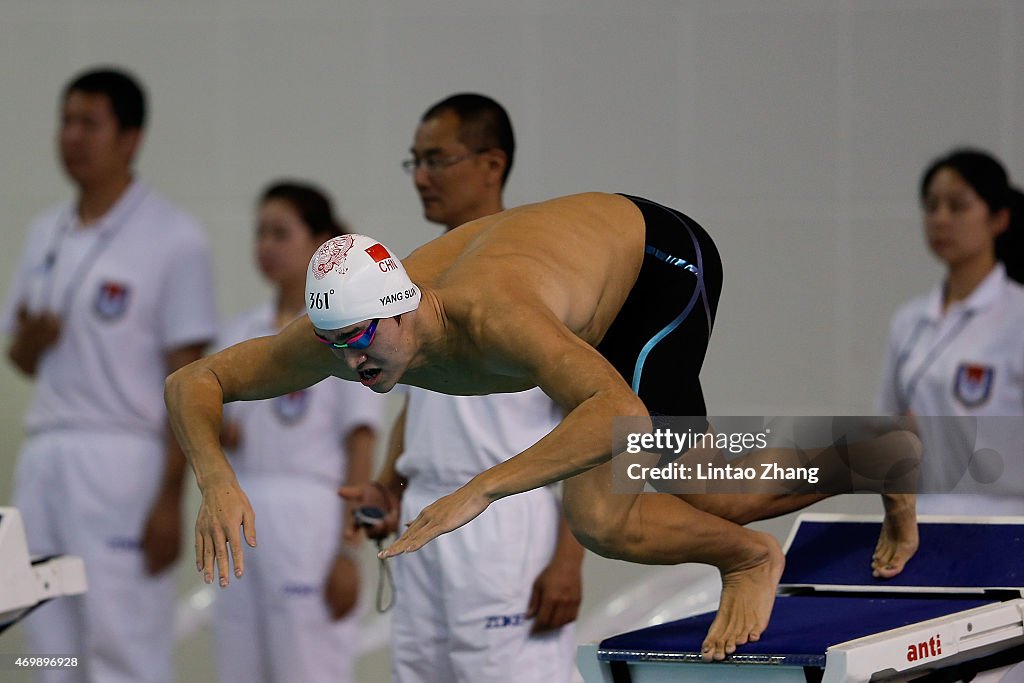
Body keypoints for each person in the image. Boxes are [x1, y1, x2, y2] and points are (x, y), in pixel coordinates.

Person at [166, 191, 921, 662]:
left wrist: (482, 488)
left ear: (402, 304)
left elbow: (618, 414)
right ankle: (867, 459)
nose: (350, 359)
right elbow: (193, 379)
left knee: (698, 487)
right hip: (573, 284)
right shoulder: (340, 336)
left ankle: (775, 536)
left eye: (362, 337)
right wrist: (217, 477)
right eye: (334, 343)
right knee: (601, 516)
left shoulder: (492, 317)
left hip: (657, 264)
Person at [340, 94, 583, 683]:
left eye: (437, 160)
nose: (421, 177)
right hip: (424, 519)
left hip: (501, 522)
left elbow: (597, 419)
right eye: (414, 162)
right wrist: (392, 484)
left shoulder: (537, 269)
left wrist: (569, 560)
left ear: (492, 164)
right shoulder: (416, 274)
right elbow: (418, 400)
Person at [2, 67, 217, 682]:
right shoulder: (46, 232)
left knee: (119, 642)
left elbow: (191, 377)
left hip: (124, 461)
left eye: (88, 123)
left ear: (130, 138)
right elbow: (20, 354)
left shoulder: (174, 238)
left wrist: (172, 498)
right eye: (65, 122)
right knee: (48, 638)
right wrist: (31, 344)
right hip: (46, 458)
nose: (71, 136)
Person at [211, 182, 383, 683]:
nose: (265, 245)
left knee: (307, 669)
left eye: (280, 233)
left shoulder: (345, 331)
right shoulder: (238, 333)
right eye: (260, 232)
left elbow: (362, 443)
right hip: (242, 522)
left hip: (310, 524)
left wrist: (350, 550)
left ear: (319, 242)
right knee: (239, 667)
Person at [877, 149, 1024, 515]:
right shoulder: (910, 321)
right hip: (924, 516)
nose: (940, 219)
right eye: (931, 206)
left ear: (999, 218)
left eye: (958, 206)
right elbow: (885, 427)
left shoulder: (1018, 316)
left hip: (1008, 518)